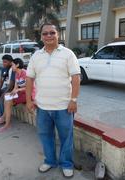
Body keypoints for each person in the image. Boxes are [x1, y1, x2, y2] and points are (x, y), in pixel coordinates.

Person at [26, 22, 81, 178]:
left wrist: (74, 100)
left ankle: (66, 164)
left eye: (52, 32)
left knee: (66, 138)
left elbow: (76, 78)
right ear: (41, 36)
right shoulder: (36, 56)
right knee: (45, 136)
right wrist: (29, 100)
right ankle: (50, 161)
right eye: (45, 33)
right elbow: (29, 79)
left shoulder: (68, 54)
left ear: (58, 35)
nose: (49, 36)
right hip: (42, 107)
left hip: (64, 107)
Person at [0, 58, 35, 132]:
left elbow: (30, 87)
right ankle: (6, 122)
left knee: (8, 100)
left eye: (12, 65)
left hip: (29, 93)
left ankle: (5, 121)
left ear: (17, 65)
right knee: (7, 97)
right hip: (22, 93)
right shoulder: (17, 74)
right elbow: (15, 87)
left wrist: (18, 90)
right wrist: (11, 93)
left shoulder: (25, 73)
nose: (11, 66)